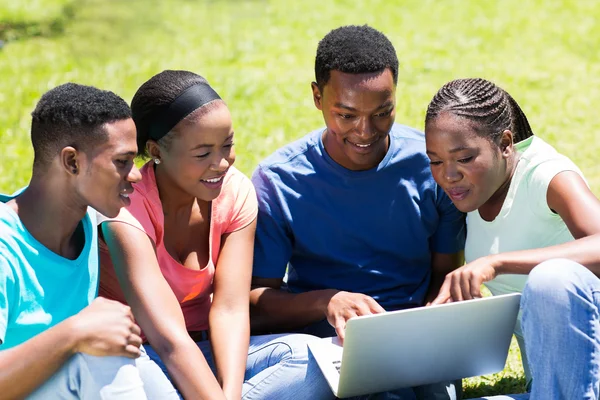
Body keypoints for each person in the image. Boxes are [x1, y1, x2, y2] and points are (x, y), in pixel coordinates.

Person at [250, 25, 465, 399]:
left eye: (383, 113)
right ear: (317, 96)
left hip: (414, 336)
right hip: (323, 342)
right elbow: (254, 304)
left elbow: (444, 272)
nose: (366, 132)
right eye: (346, 115)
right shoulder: (279, 180)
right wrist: (326, 301)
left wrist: (432, 325)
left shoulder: (431, 165)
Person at [99, 70, 332, 400]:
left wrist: (230, 394)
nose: (222, 163)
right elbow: (167, 338)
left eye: (228, 145)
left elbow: (230, 309)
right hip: (139, 355)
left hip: (205, 347)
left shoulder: (235, 193)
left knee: (311, 359)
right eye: (203, 153)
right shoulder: (125, 207)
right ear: (156, 151)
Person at [424, 78, 600, 399]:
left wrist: (497, 264)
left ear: (505, 143)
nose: (448, 175)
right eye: (436, 161)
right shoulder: (468, 192)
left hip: (591, 376)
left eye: (464, 158)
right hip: (548, 388)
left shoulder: (546, 176)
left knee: (551, 279)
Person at [0, 83, 178, 399]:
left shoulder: (93, 216)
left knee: (125, 348)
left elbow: (169, 333)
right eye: (122, 161)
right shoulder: (5, 250)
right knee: (103, 347)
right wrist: (76, 332)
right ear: (72, 163)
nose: (136, 175)